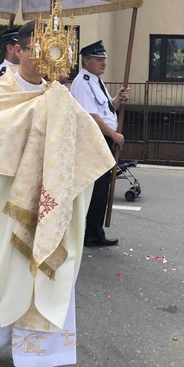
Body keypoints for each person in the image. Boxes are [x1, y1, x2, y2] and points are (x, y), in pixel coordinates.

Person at [0, 21, 115, 367]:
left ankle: (39, 357)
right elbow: (0, 133)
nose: (50, 58)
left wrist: (63, 115)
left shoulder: (58, 94)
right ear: (21, 49)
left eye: (57, 50)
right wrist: (47, 113)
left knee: (47, 272)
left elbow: (85, 137)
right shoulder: (1, 90)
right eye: (42, 49)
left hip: (53, 200)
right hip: (12, 196)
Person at [69, 40, 130, 247]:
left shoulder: (96, 80)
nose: (103, 63)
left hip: (103, 138)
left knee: (102, 187)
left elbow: (107, 109)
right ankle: (91, 233)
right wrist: (113, 135)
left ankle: (95, 231)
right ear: (86, 61)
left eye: (104, 59)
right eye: (98, 59)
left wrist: (118, 99)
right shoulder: (83, 82)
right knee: (97, 187)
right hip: (95, 139)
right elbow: (92, 117)